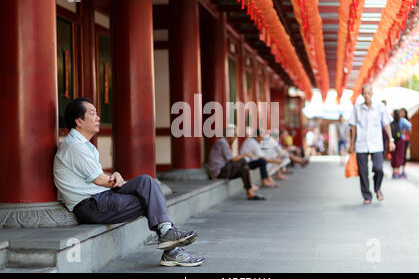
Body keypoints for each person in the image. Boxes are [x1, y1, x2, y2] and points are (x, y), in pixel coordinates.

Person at [54, 97, 204, 267]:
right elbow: (99, 180)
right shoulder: (74, 146)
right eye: (93, 114)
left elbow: (97, 175)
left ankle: (167, 235)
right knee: (150, 199)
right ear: (79, 121)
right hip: (91, 205)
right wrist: (112, 180)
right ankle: (170, 244)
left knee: (146, 182)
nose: (98, 118)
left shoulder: (83, 145)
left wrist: (115, 175)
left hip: (101, 197)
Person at [349, 84, 396, 205]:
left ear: (372, 93)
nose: (367, 95)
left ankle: (377, 188)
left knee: (378, 168)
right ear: (361, 94)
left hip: (376, 144)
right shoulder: (357, 108)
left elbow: (386, 124)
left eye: (369, 93)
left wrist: (391, 139)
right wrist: (351, 144)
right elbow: (353, 127)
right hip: (361, 144)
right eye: (365, 93)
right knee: (363, 171)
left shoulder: (379, 107)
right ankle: (366, 195)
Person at [208, 124, 266, 200]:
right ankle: (250, 188)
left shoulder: (225, 143)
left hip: (224, 170)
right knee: (243, 161)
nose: (236, 138)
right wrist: (244, 154)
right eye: (235, 135)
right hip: (218, 172)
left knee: (244, 168)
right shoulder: (222, 142)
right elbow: (232, 159)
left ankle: (249, 192)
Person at [390, 109, 412, 179]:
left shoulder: (391, 120)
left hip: (393, 140)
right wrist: (404, 131)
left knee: (394, 155)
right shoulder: (402, 120)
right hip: (400, 140)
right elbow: (409, 125)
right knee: (399, 155)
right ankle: (398, 172)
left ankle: (394, 172)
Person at [399, 108, 411, 178]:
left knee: (403, 155)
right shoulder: (399, 120)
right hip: (400, 140)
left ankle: (403, 170)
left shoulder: (405, 120)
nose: (402, 113)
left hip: (405, 140)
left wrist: (404, 131)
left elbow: (410, 129)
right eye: (401, 112)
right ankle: (399, 170)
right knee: (400, 155)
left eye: (403, 112)